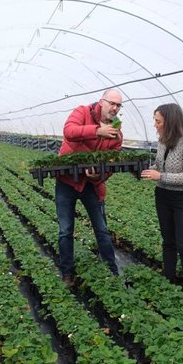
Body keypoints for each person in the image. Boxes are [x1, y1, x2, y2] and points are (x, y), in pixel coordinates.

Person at [56, 88, 123, 287]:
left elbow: (111, 163)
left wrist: (99, 176)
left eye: (119, 105)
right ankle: (67, 273)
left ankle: (112, 272)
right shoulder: (82, 112)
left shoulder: (116, 133)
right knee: (66, 230)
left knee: (101, 229)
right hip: (67, 182)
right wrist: (97, 131)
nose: (115, 108)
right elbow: (69, 131)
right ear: (102, 101)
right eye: (112, 103)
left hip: (91, 186)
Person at [140, 103, 183, 295]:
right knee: (168, 241)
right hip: (164, 195)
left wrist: (161, 177)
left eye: (158, 121)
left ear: (170, 121)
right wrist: (148, 170)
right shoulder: (162, 140)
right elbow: (159, 164)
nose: (155, 125)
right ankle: (169, 281)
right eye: (155, 121)